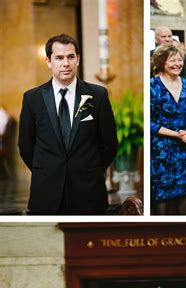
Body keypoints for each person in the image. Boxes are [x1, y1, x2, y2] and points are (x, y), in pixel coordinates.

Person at [18, 34, 117, 215]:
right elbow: (25, 145)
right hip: (46, 193)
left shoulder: (98, 95)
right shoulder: (32, 98)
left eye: (71, 57)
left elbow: (109, 144)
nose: (66, 63)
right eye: (59, 58)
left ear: (78, 60)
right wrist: (48, 169)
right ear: (48, 61)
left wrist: (90, 170)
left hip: (89, 192)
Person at [150, 43, 186, 215]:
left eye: (180, 60)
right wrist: (176, 134)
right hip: (162, 149)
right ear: (161, 62)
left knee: (185, 194)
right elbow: (150, 122)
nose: (177, 64)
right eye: (172, 60)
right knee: (163, 197)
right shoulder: (152, 86)